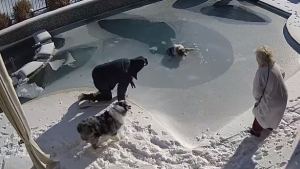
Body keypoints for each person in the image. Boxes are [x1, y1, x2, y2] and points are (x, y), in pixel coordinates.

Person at [250, 45, 288, 137]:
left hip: (272, 100)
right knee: (273, 115)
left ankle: (256, 131)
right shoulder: (275, 65)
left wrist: (258, 100)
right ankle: (269, 127)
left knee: (260, 113)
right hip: (283, 96)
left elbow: (257, 91)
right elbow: (283, 73)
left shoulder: (261, 72)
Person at [78, 56, 148, 102]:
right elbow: (121, 92)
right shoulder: (126, 74)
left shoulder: (126, 61)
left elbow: (126, 71)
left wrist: (130, 80)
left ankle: (102, 91)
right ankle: (89, 96)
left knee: (107, 85)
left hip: (97, 70)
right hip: (100, 80)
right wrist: (122, 104)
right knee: (108, 98)